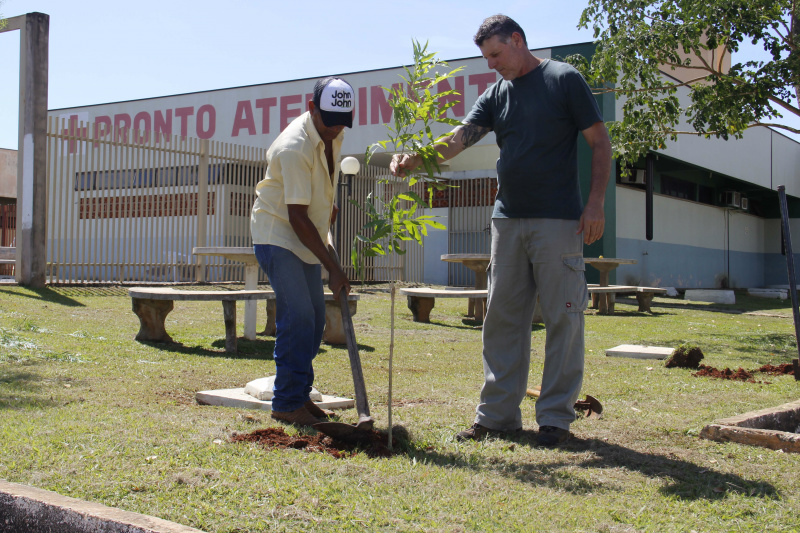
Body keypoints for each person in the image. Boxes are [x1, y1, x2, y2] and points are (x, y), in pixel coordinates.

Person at [391, 15, 612, 446]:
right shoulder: (497, 94)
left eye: (495, 54)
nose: (491, 64)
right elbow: (460, 137)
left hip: (558, 220)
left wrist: (596, 203)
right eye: (485, 57)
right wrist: (416, 158)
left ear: (517, 40)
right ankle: (496, 418)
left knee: (563, 318)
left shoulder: (563, 79)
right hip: (507, 220)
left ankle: (554, 420)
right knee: (501, 321)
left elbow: (600, 142)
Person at [250, 77, 354, 427]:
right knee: (298, 316)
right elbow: (295, 216)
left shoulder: (334, 132)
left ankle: (300, 394)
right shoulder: (294, 146)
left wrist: (328, 209)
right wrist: (333, 268)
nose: (337, 128)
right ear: (312, 109)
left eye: (343, 120)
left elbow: (318, 192)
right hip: (278, 233)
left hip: (307, 232)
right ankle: (286, 402)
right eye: (330, 119)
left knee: (315, 320)